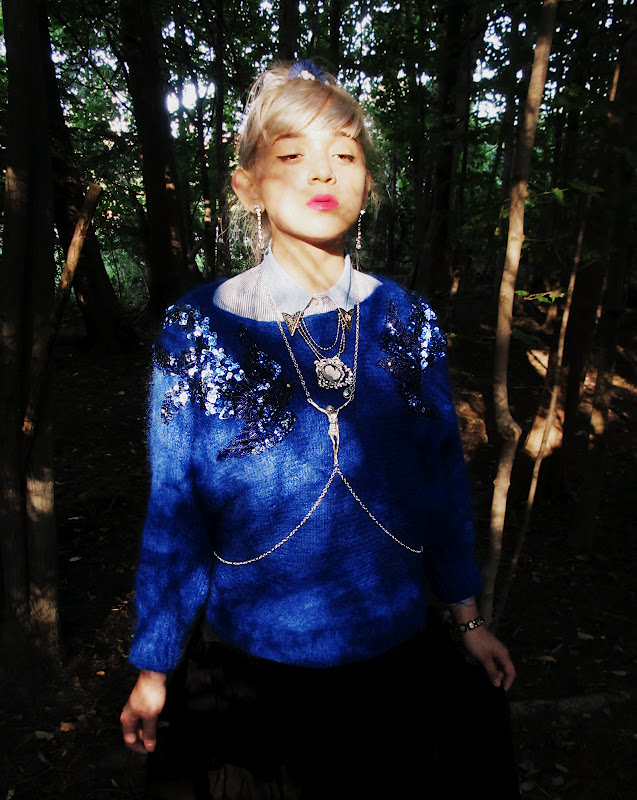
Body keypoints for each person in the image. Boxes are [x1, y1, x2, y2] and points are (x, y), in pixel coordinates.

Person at [121, 60, 518, 799]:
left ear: (367, 183)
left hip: (390, 673)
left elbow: (440, 484)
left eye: (344, 153)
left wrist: (466, 618)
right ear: (248, 186)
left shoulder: (407, 324)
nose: (322, 172)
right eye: (291, 154)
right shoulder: (197, 330)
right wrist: (154, 666)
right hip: (250, 677)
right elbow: (176, 509)